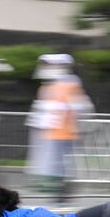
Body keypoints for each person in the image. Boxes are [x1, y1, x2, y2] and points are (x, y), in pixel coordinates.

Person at [26, 54, 93, 198]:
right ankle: (57, 187)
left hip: (63, 131)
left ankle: (62, 188)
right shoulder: (50, 85)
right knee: (53, 160)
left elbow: (77, 107)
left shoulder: (68, 83)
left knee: (59, 161)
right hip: (51, 131)